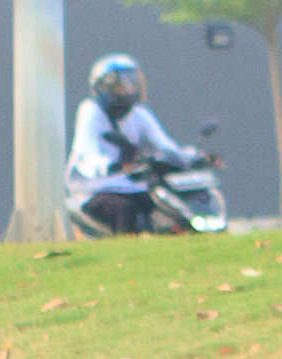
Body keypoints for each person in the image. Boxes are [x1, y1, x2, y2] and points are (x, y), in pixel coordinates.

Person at [67, 55, 208, 232]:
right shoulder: (91, 111)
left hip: (131, 187)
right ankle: (125, 247)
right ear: (103, 87)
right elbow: (86, 154)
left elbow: (165, 146)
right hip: (95, 190)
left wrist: (190, 157)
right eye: (121, 85)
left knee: (168, 207)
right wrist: (112, 167)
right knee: (125, 210)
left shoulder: (139, 114)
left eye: (133, 83)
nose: (129, 90)